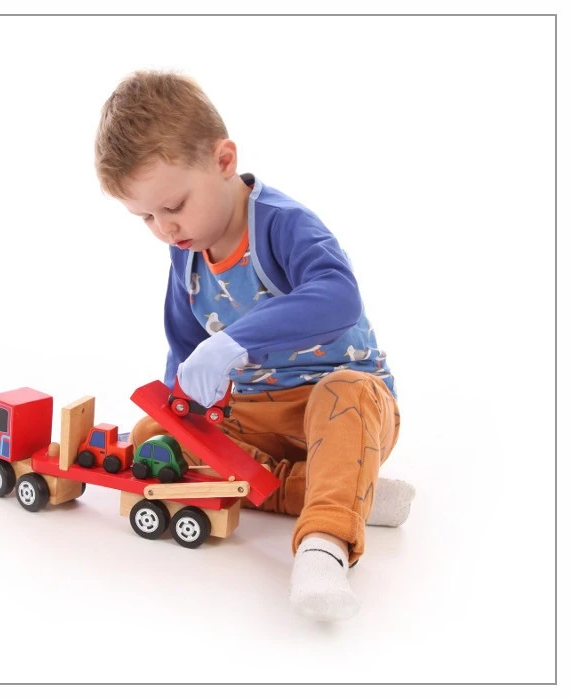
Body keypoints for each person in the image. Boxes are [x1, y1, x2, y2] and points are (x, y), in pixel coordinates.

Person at [94, 70, 415, 622]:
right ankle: (338, 487)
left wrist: (235, 344)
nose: (165, 229)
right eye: (145, 217)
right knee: (157, 439)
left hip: (338, 407)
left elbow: (338, 296)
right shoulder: (186, 255)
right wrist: (181, 407)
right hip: (254, 417)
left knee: (345, 395)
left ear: (223, 161)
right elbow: (187, 342)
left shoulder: (283, 226)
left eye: (173, 206)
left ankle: (325, 546)